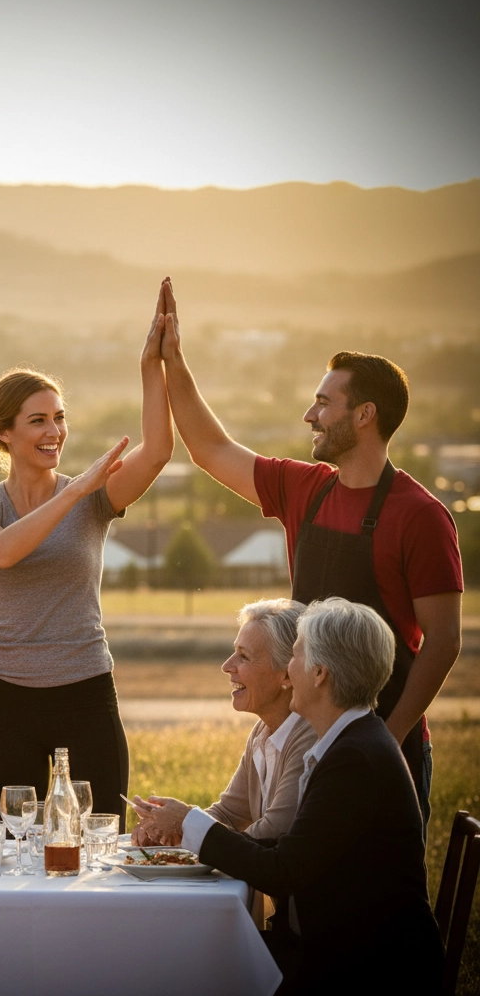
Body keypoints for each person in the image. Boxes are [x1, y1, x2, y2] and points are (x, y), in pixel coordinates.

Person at [158, 277, 461, 823]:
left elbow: (442, 641)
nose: (309, 415)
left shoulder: (421, 515)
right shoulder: (304, 488)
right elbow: (210, 448)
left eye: (324, 402)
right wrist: (173, 360)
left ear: (364, 415)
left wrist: (388, 739)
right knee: (297, 870)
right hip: (306, 734)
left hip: (384, 737)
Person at [132, 598, 443, 994]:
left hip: (374, 971)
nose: (290, 673)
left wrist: (188, 822)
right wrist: (184, 829)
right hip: (348, 953)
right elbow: (286, 850)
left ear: (319, 674)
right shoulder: (354, 741)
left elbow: (282, 870)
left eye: (295, 657)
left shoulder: (354, 759)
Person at [0, 281, 174, 820]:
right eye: (38, 420)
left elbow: (158, 450)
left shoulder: (95, 497)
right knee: (16, 844)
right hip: (8, 699)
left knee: (100, 837)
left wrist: (151, 365)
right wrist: (72, 492)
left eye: (59, 417)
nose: (55, 431)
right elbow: (3, 551)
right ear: (3, 434)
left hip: (87, 692)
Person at [132, 599, 315, 846]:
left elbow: (273, 833)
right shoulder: (263, 732)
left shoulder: (309, 737)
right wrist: (169, 830)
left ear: (287, 674)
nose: (227, 666)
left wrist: (186, 822)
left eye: (244, 657)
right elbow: (228, 813)